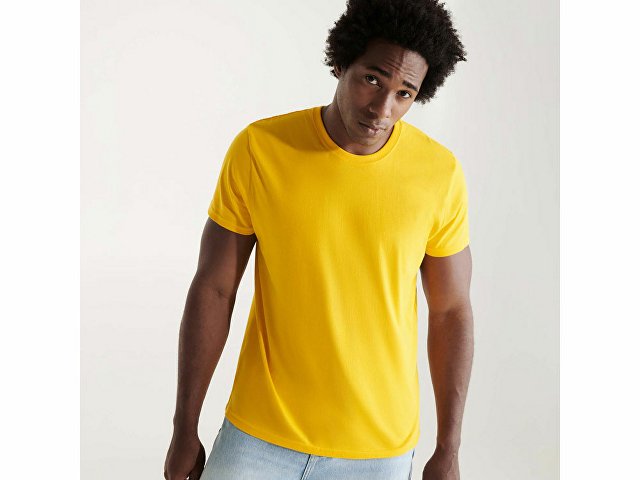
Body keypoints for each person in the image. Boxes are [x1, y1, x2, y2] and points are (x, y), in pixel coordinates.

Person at [164, 0, 473, 479]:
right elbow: (214, 288)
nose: (383, 109)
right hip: (257, 436)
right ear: (341, 62)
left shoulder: (438, 173)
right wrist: (184, 427)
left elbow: (451, 311)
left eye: (404, 93)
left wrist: (448, 448)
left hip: (378, 449)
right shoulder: (260, 149)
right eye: (372, 79)